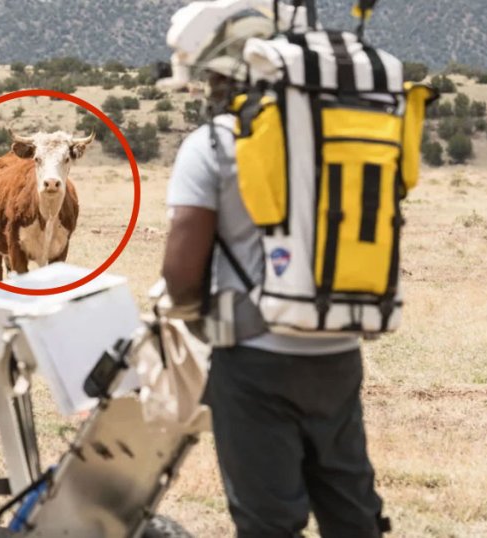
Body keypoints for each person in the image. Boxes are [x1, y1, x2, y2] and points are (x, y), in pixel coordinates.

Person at [158, 7, 389, 537]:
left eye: (210, 75)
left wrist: (197, 321)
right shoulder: (338, 134)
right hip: (337, 352)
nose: (208, 87)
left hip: (255, 363)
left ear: (224, 69)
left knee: (269, 521)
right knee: (351, 510)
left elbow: (181, 276)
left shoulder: (214, 144)